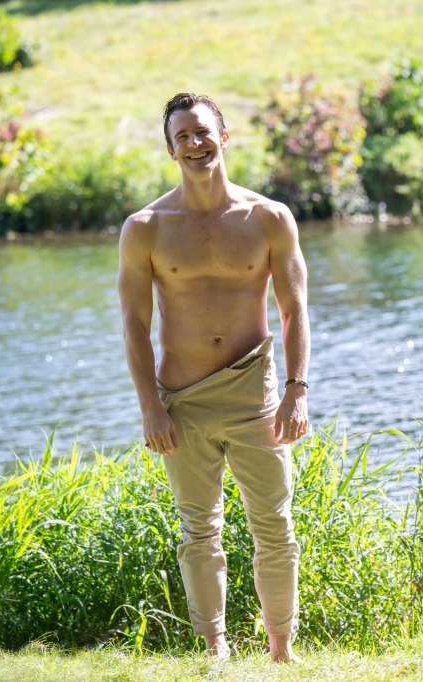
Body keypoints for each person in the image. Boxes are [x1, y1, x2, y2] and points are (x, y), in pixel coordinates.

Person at [117, 93, 309, 663]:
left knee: (274, 524)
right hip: (183, 399)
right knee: (198, 530)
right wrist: (151, 406)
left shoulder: (269, 218)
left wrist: (297, 389)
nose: (195, 144)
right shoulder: (146, 227)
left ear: (224, 138)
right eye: (182, 137)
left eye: (203, 132)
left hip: (256, 392)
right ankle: (216, 647)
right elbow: (133, 322)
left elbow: (295, 308)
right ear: (171, 150)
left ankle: (281, 649)